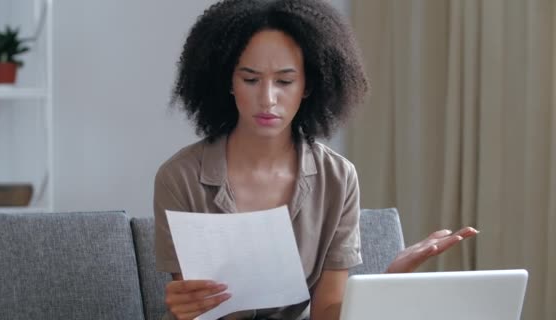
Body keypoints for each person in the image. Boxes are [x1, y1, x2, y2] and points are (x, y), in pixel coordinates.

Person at [153, 1, 478, 319]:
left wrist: (388, 280)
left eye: (284, 81)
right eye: (250, 79)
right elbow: (200, 306)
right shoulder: (180, 177)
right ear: (229, 82)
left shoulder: (338, 178)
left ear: (308, 85)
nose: (267, 98)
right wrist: (189, 307)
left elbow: (327, 313)